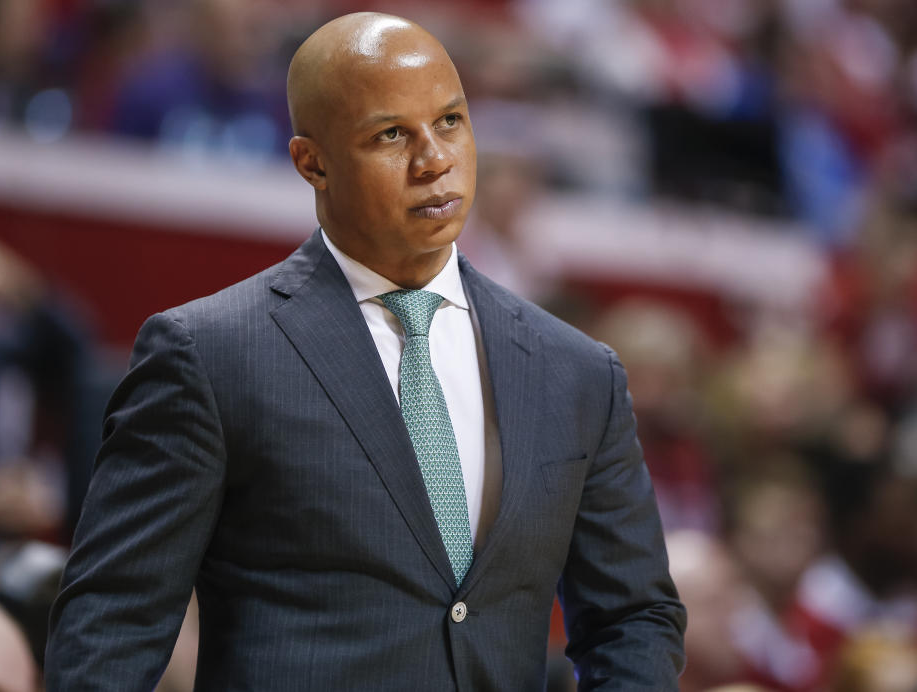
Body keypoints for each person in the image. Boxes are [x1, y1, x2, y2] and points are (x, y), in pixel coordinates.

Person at [45, 12, 685, 690]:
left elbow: (632, 617)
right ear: (311, 162)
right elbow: (111, 624)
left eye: (450, 122)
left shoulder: (576, 370)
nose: (433, 160)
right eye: (390, 134)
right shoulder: (210, 356)